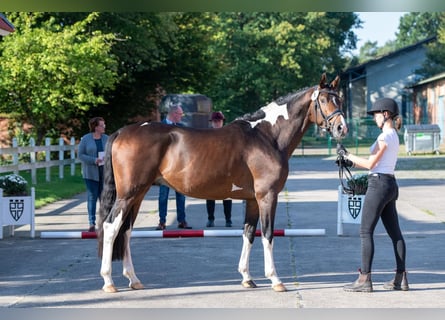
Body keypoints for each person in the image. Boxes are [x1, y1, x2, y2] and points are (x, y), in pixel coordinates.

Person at [336, 98, 409, 293]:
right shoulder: (394, 135)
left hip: (378, 185)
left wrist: (347, 155)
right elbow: (374, 163)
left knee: (365, 232)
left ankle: (364, 279)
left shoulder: (385, 137)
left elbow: (370, 165)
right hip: (390, 184)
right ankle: (400, 279)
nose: (375, 117)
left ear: (386, 114)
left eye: (377, 114)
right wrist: (349, 163)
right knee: (396, 234)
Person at [156, 104, 192, 230]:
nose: (181, 116)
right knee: (163, 196)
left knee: (181, 195)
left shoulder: (182, 129)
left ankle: (182, 220)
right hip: (164, 169)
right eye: (180, 114)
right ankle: (162, 221)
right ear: (173, 113)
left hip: (179, 167)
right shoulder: (159, 127)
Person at [78, 117, 108, 232]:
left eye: (104, 125)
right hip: (90, 173)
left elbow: (112, 152)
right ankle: (91, 223)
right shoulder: (86, 139)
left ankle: (104, 222)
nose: (104, 127)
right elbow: (80, 155)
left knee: (104, 199)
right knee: (92, 197)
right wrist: (93, 160)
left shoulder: (107, 138)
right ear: (96, 127)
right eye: (102, 125)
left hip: (105, 173)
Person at [205, 111, 233, 228]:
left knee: (227, 195)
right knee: (210, 195)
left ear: (222, 122)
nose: (217, 123)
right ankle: (210, 218)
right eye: (215, 121)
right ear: (212, 123)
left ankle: (228, 219)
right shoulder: (206, 135)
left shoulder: (228, 135)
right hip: (210, 168)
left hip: (225, 168)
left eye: (219, 121)